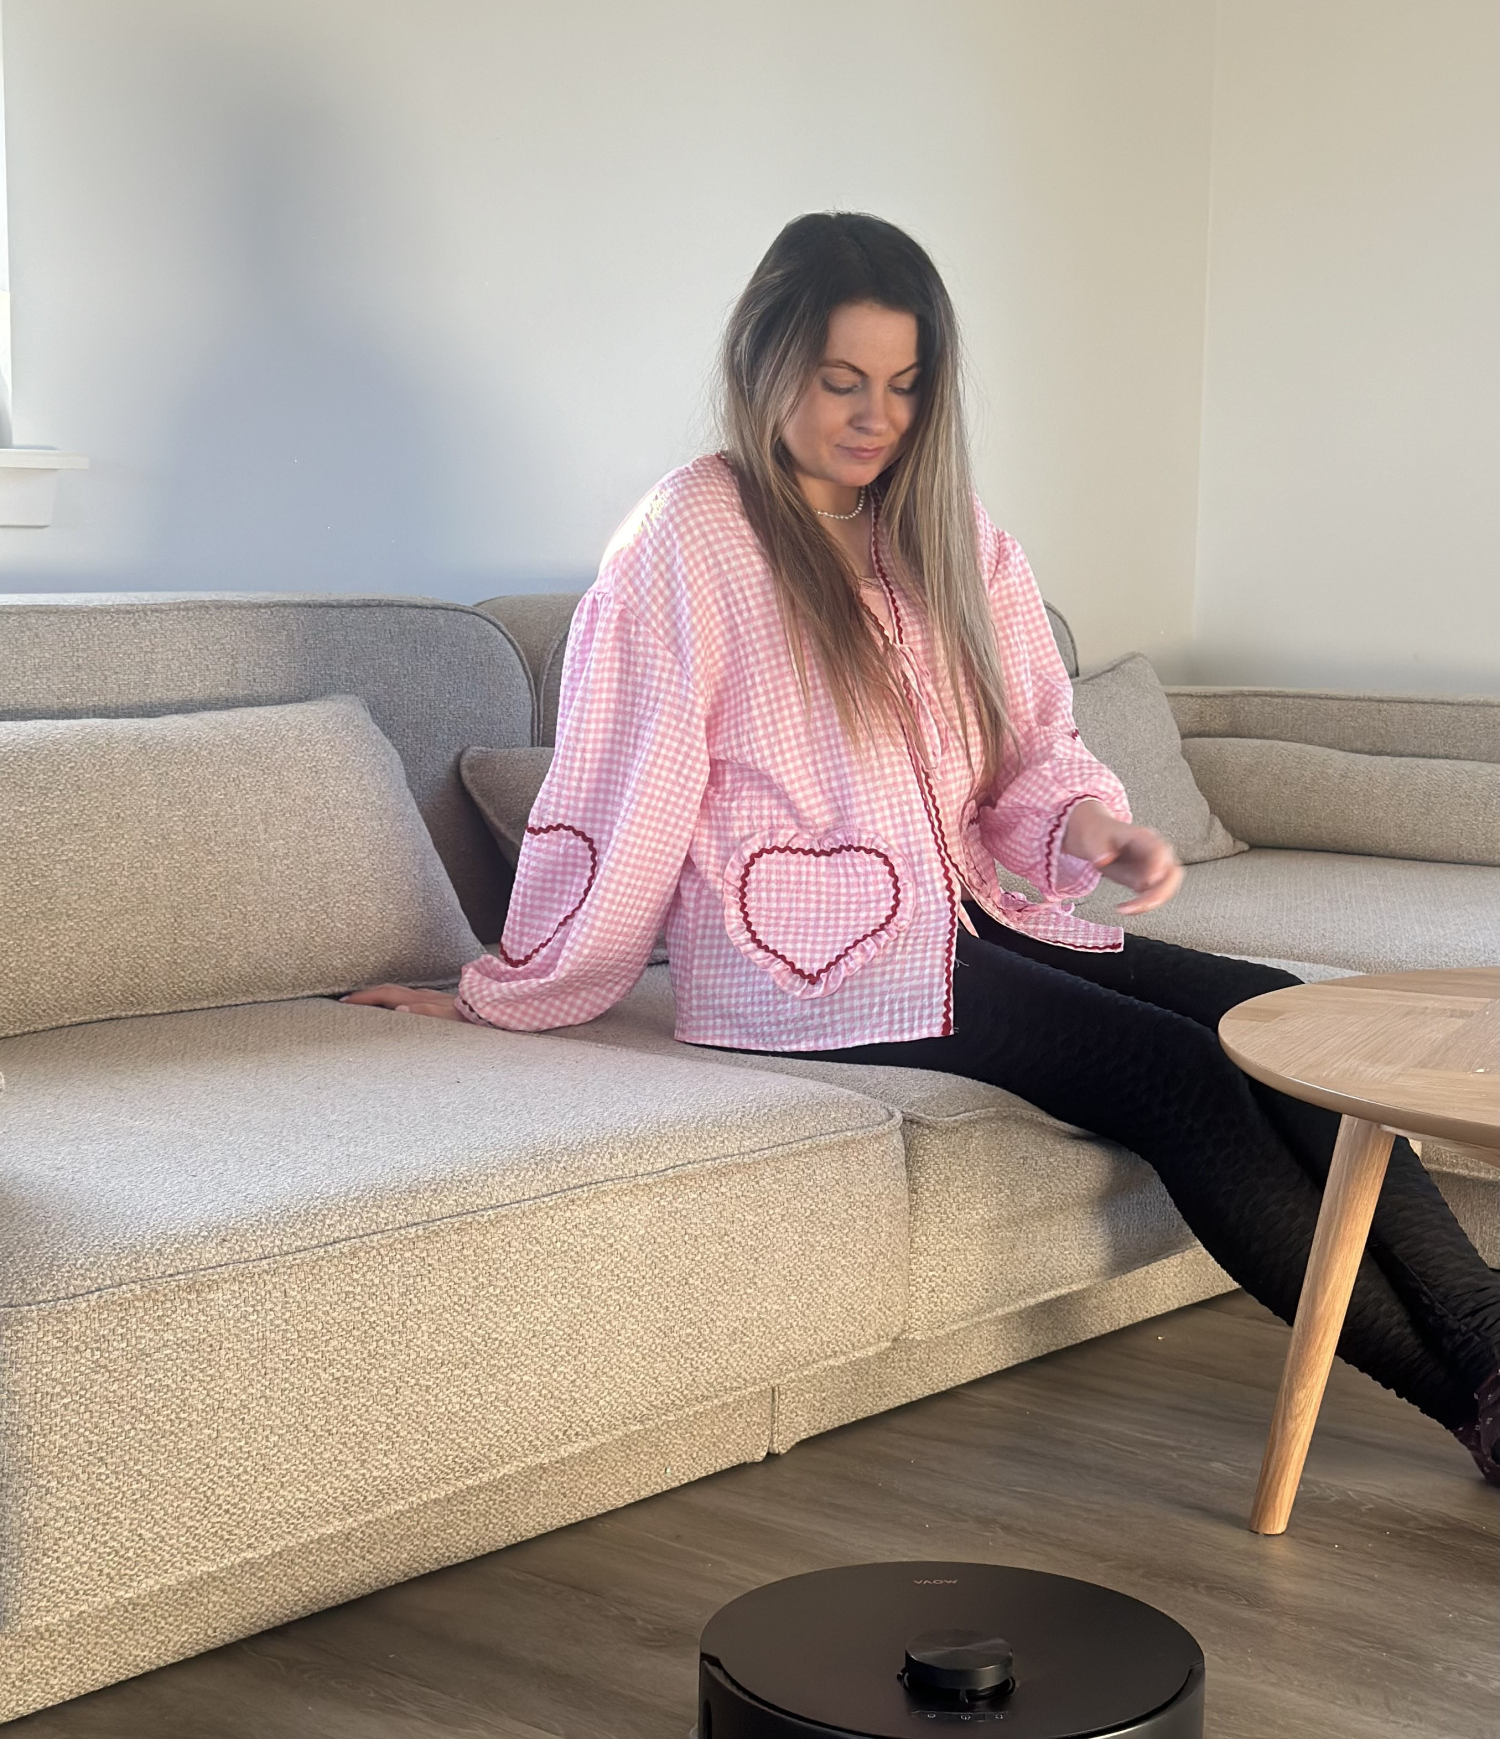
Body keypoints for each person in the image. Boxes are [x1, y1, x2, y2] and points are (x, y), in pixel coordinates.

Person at [349, 211, 1500, 1481]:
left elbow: (1027, 741)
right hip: (808, 961)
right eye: (841, 380)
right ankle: (1475, 1395)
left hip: (965, 914)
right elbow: (628, 786)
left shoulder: (945, 527)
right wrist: (510, 987)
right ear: (766, 362)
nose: (875, 416)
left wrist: (1094, 826)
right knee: (1178, 1075)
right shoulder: (690, 536)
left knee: (1275, 1015)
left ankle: (1493, 1354)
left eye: (903, 384)